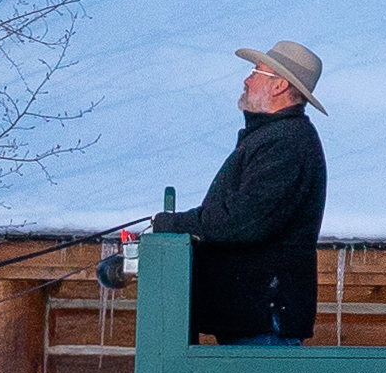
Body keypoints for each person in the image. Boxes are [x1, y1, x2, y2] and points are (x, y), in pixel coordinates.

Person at [128, 42, 326, 345]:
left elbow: (243, 221)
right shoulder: (272, 138)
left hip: (264, 322)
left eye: (255, 72)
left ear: (280, 85)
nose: (247, 80)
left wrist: (174, 225)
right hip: (252, 320)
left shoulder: (285, 143)